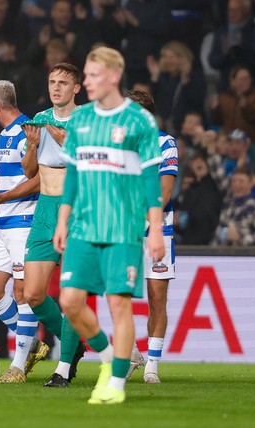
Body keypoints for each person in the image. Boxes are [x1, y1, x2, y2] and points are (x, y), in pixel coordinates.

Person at [53, 46, 165, 404]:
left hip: (123, 229)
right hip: (84, 227)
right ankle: (107, 356)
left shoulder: (139, 121)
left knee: (119, 304)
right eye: (85, 76)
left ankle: (115, 384)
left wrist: (157, 228)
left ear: (113, 76)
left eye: (92, 76)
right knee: (69, 301)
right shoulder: (81, 120)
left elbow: (151, 180)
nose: (85, 82)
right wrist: (62, 219)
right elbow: (71, 173)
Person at [0, 80, 47, 384]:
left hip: (25, 221)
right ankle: (31, 342)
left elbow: (40, 178)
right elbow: (8, 178)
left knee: (22, 293)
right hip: (3, 223)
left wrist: (7, 196)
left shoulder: (27, 132)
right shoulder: (5, 133)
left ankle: (17, 366)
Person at [21, 63, 86, 388]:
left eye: (63, 82)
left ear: (77, 88)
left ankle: (63, 366)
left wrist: (64, 140)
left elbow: (91, 167)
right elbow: (30, 171)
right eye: (52, 82)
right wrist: (32, 145)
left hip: (76, 211)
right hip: (45, 210)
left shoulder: (87, 121)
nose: (56, 87)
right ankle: (75, 344)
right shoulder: (41, 119)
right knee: (33, 293)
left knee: (72, 294)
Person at [125, 89, 179, 384]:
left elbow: (165, 192)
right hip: (124, 230)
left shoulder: (164, 143)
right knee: (117, 293)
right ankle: (133, 352)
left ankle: (153, 365)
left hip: (157, 229)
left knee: (157, 297)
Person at [213, 167, 255, 246]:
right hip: (226, 255)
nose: (236, 184)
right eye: (234, 181)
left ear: (250, 183)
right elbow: (220, 232)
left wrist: (240, 239)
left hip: (249, 256)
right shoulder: (227, 206)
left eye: (241, 181)